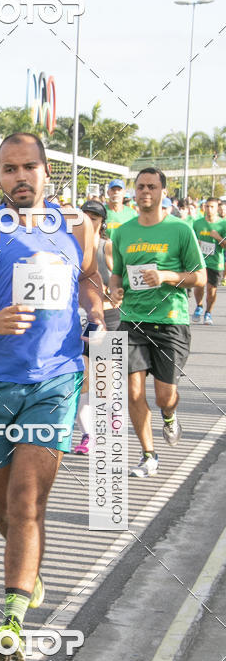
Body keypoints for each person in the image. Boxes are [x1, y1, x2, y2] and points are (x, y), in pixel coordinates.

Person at [0, 133, 104, 661]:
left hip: (56, 382)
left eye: (28, 167)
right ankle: (29, 568)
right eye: (8, 169)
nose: (19, 177)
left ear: (47, 171)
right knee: (3, 508)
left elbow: (92, 284)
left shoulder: (79, 228)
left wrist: (95, 313)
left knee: (24, 501)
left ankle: (12, 622)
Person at [109, 167, 206, 478]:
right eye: (140, 187)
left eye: (151, 186)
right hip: (132, 320)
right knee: (133, 392)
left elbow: (199, 276)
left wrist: (166, 276)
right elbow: (116, 273)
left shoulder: (180, 230)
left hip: (170, 321)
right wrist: (115, 288)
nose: (145, 192)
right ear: (133, 192)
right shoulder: (122, 232)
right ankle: (148, 454)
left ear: (164, 192)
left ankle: (169, 416)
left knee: (164, 396)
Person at [73, 199, 121, 455]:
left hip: (108, 317)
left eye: (95, 218)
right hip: (78, 318)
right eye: (85, 216)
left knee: (104, 380)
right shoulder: (70, 244)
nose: (90, 221)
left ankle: (113, 412)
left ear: (102, 223)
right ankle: (88, 435)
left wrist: (112, 292)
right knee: (82, 379)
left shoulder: (107, 246)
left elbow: (119, 277)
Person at [192, 197, 226, 325]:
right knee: (198, 286)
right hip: (199, 260)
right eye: (207, 206)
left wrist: (218, 238)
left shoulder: (223, 224)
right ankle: (199, 306)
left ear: (217, 208)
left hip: (216, 261)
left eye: (212, 207)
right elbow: (191, 242)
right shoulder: (197, 223)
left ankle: (208, 313)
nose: (209, 209)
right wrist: (197, 243)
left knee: (212, 290)